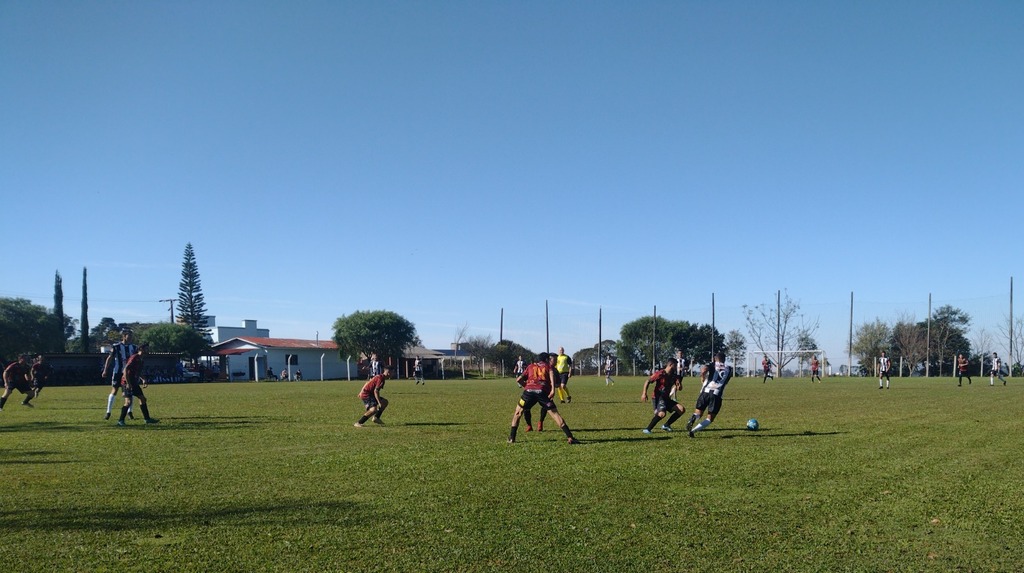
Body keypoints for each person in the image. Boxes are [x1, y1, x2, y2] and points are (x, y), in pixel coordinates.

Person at [508, 352, 579, 444]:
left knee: (518, 413)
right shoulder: (548, 366)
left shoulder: (530, 366)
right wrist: (553, 389)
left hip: (528, 393)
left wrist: (527, 386)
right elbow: (552, 375)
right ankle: (570, 437)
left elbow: (518, 379)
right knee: (555, 414)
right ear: (547, 359)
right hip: (543, 393)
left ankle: (512, 438)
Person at [685, 352, 733, 438]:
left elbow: (703, 369)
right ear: (724, 360)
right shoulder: (729, 368)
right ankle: (693, 431)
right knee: (710, 418)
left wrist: (703, 376)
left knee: (698, 412)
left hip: (705, 391)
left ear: (715, 359)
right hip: (717, 394)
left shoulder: (712, 364)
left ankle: (694, 417)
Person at [116, 344, 159, 426]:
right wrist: (128, 383)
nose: (148, 351)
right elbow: (125, 370)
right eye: (146, 349)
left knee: (142, 399)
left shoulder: (141, 360)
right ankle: (120, 421)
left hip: (134, 382)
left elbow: (138, 372)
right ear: (141, 349)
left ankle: (147, 419)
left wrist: (143, 379)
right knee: (128, 402)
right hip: (126, 382)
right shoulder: (134, 357)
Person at [641, 358, 686, 433]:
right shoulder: (660, 373)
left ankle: (666, 425)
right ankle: (647, 429)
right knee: (662, 414)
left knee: (681, 409)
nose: (676, 368)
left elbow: (679, 388)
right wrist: (644, 393)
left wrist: (679, 384)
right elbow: (647, 381)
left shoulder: (674, 376)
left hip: (666, 398)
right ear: (670, 365)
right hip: (658, 397)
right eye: (675, 366)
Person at [102, 330, 137, 420]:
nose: (130, 338)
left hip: (129, 373)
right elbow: (110, 358)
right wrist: (105, 370)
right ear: (124, 336)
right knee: (114, 390)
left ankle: (130, 412)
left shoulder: (133, 347)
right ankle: (108, 412)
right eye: (129, 336)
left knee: (130, 392)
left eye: (131, 336)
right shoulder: (116, 347)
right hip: (118, 372)